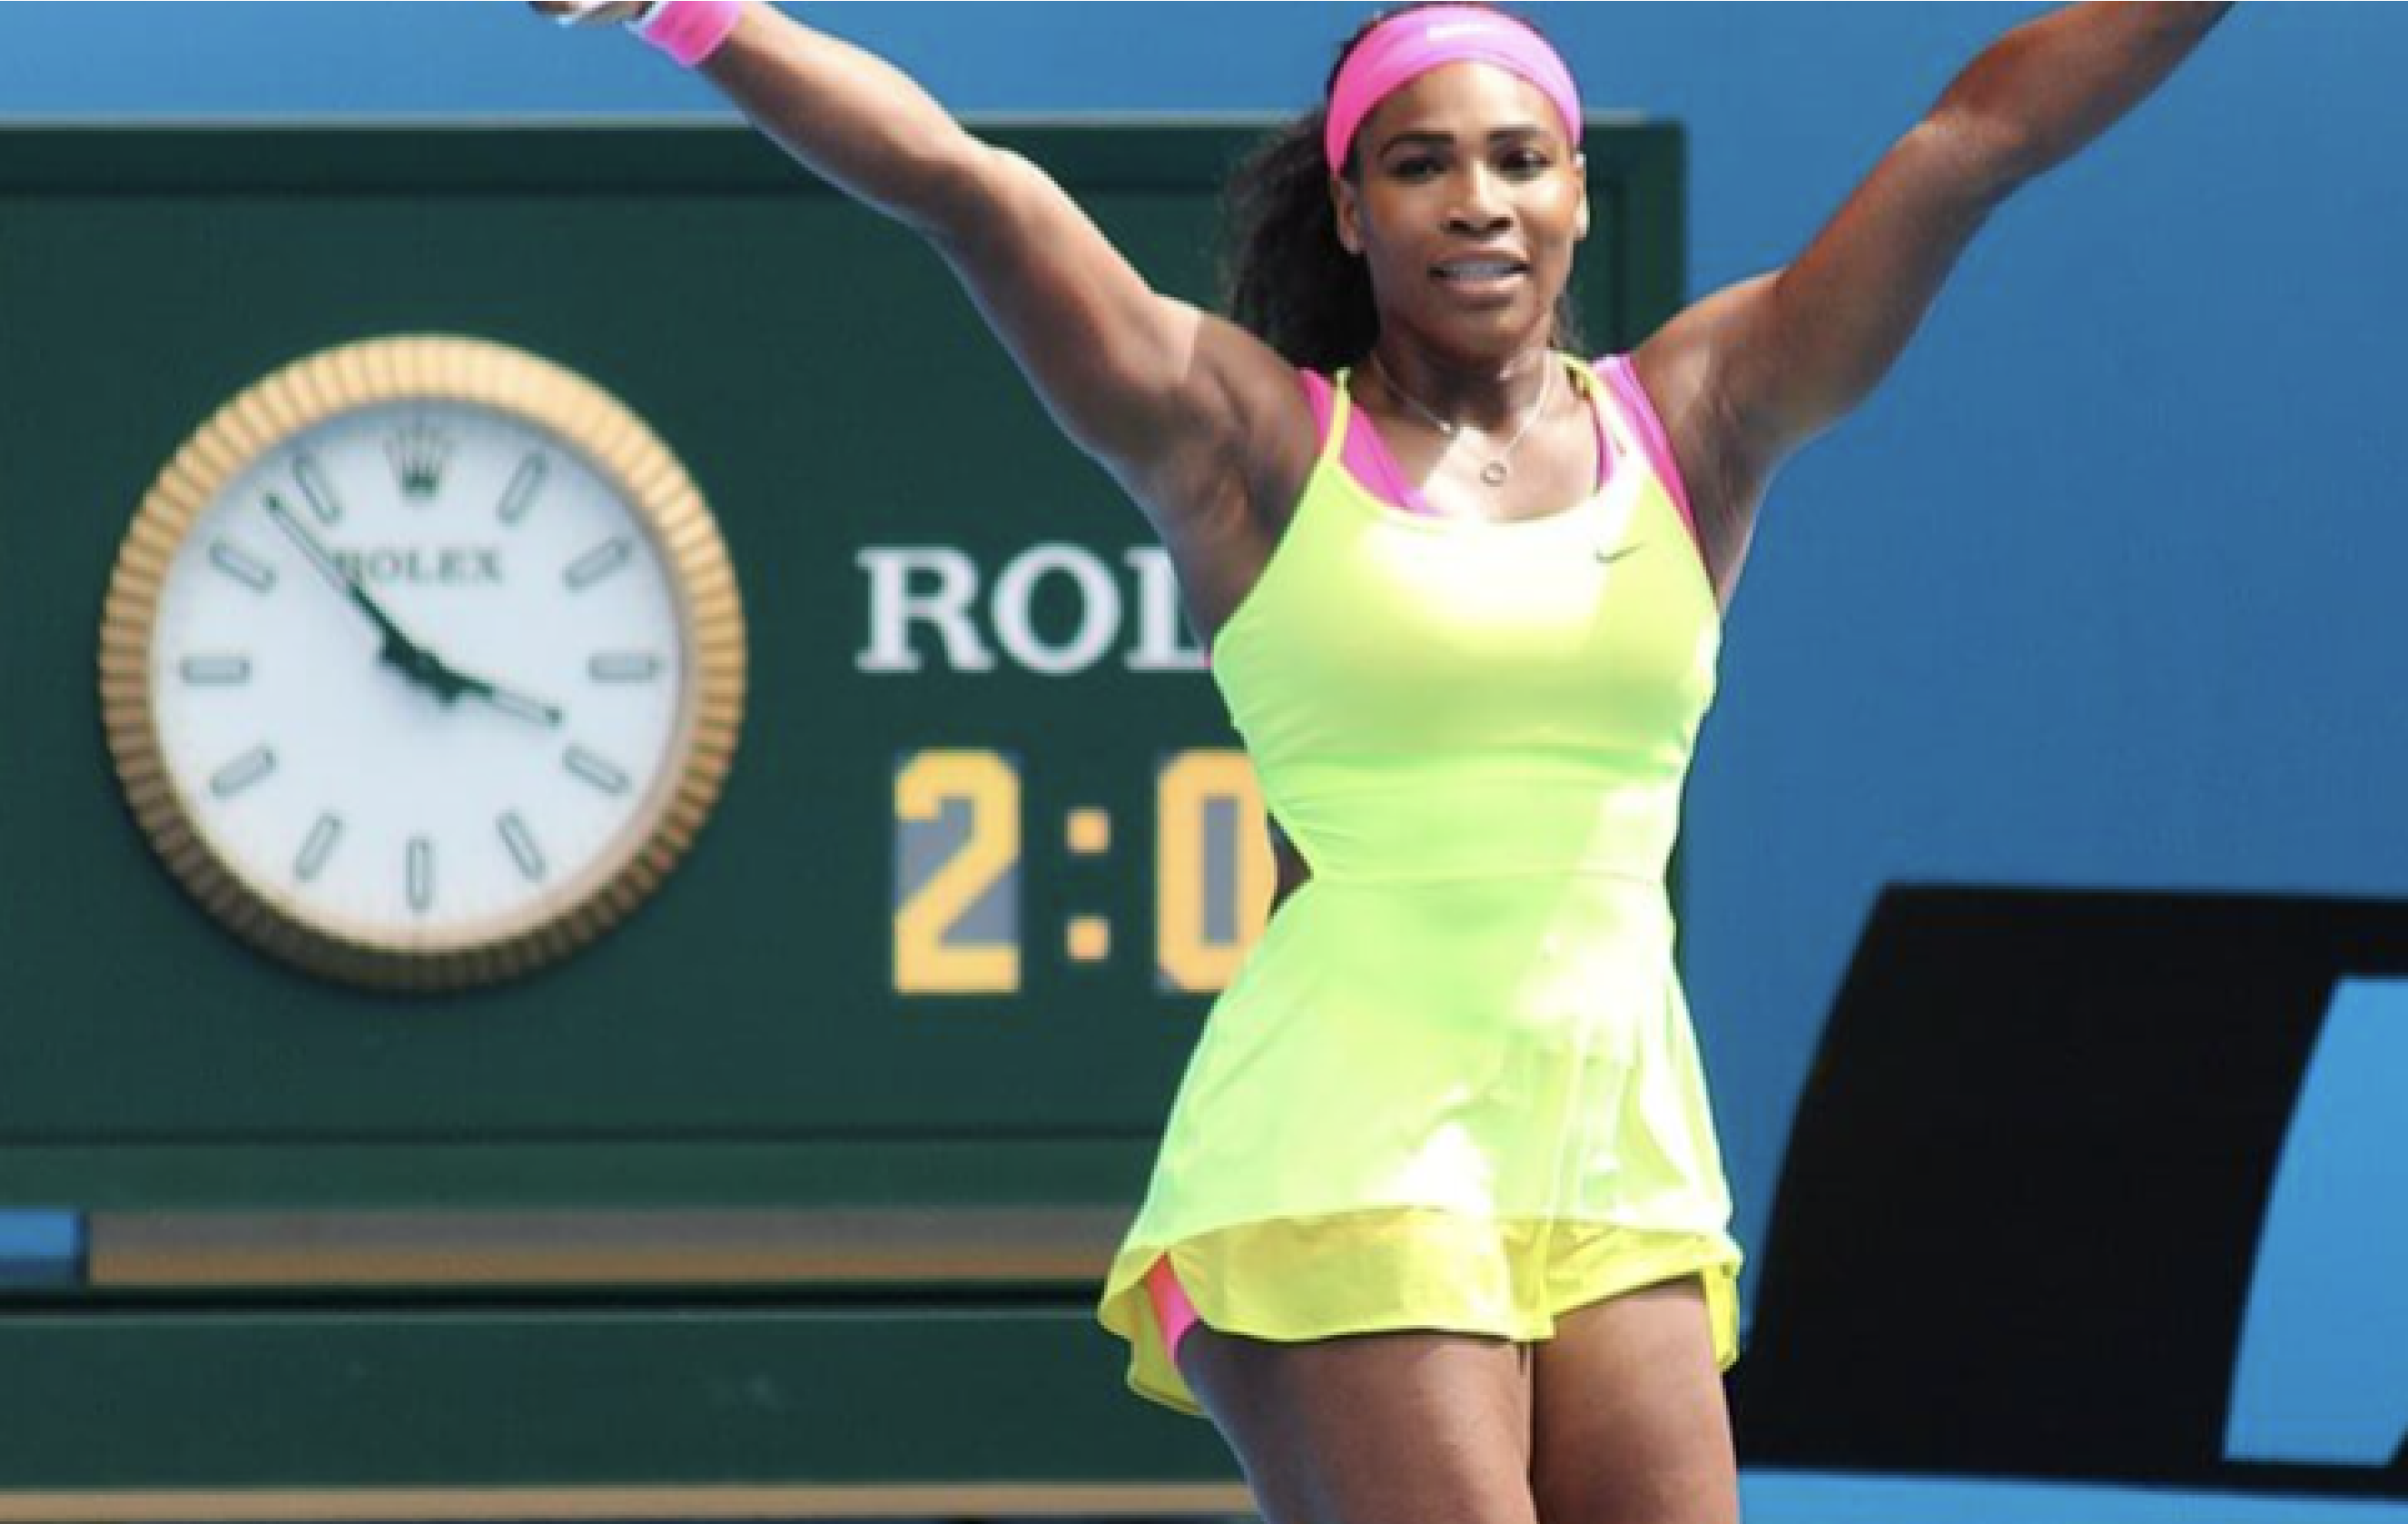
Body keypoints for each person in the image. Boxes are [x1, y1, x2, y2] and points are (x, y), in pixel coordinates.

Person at [534, 4, 2237, 1520]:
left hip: (1620, 1144)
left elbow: (1973, 141)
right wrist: (684, 10)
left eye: (1518, 159)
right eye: (1422, 165)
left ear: (1577, 195)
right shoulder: (1252, 443)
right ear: (1353, 212)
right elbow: (971, 193)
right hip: (1349, 1141)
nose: (1476, 199)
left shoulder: (1699, 417)